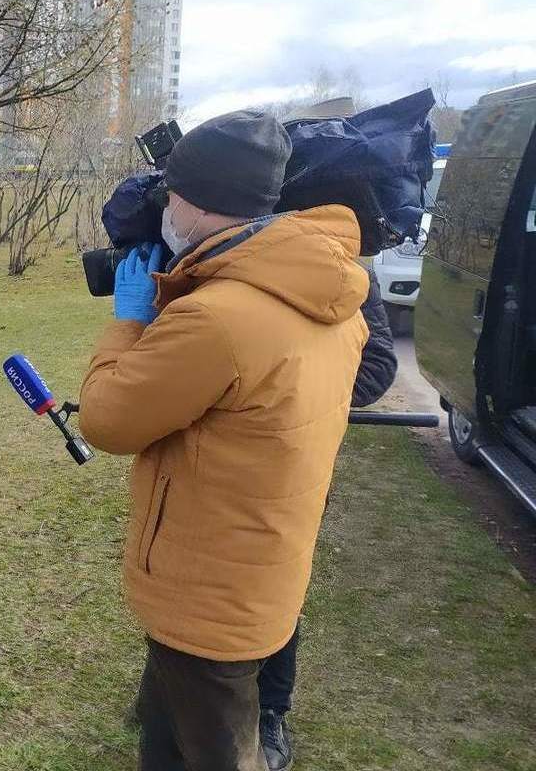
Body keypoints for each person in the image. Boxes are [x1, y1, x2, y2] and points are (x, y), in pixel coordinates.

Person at [78, 111, 370, 770]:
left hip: (207, 596)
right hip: (260, 569)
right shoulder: (325, 293)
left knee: (213, 749)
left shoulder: (217, 318)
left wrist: (130, 325)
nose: (164, 210)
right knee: (167, 732)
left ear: (198, 202)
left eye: (169, 194)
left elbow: (105, 419)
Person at [256, 100, 402, 771]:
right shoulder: (238, 266)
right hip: (216, 464)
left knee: (279, 593)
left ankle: (269, 716)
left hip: (292, 466)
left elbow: (376, 368)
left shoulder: (353, 279)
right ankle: (165, 692)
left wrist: (300, 397)